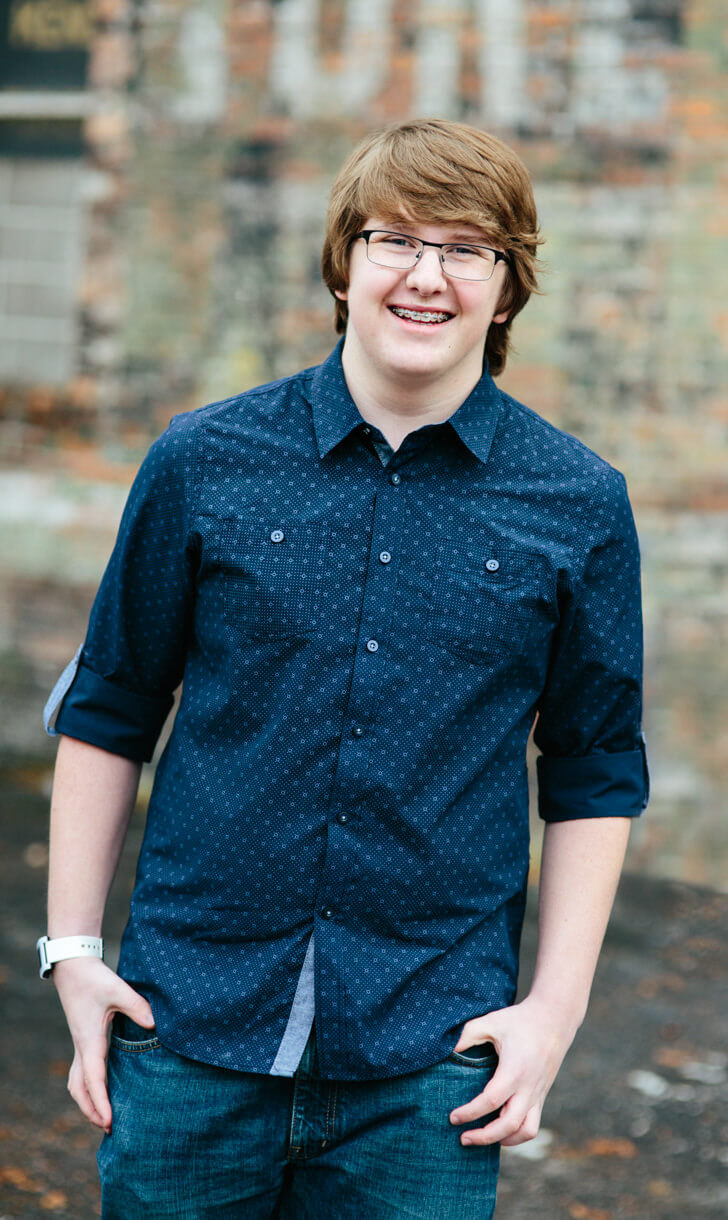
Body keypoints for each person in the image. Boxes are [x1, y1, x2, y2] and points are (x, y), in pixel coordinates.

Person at [39, 117, 649, 1219]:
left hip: (428, 1059)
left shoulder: (581, 504)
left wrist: (552, 1010)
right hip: (189, 1028)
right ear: (344, 263)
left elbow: (594, 770)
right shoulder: (202, 459)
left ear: (507, 288)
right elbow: (110, 704)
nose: (427, 275)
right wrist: (73, 952)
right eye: (395, 240)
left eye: (467, 248)